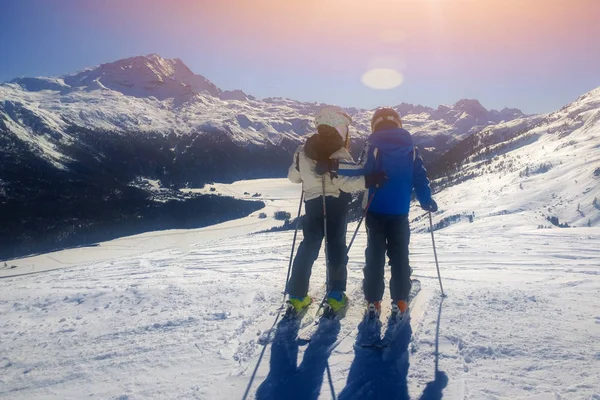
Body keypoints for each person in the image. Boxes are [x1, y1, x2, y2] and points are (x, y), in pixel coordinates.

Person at [338, 107, 437, 318]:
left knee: (374, 256)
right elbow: (420, 177)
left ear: (376, 123)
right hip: (400, 211)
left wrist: (336, 167)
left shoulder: (372, 144)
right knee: (400, 256)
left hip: (374, 209)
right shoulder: (412, 148)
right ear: (397, 123)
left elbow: (361, 169)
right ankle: (400, 301)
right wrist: (426, 201)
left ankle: (373, 301)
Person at [286, 106, 385, 314]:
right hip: (337, 204)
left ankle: (296, 296)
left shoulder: (301, 150)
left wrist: (307, 175)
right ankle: (336, 295)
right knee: (336, 248)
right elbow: (346, 184)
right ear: (339, 127)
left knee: (308, 246)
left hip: (312, 203)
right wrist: (369, 181)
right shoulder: (340, 152)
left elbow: (294, 178)